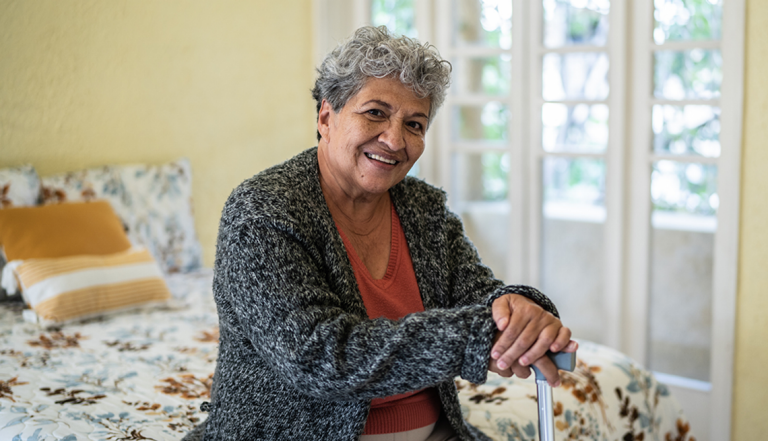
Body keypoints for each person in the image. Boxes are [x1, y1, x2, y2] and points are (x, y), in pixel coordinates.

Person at [184, 25, 576, 441]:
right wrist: (477, 336)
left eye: (414, 124)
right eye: (375, 112)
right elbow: (320, 358)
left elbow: (479, 295)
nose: (394, 139)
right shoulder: (262, 211)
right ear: (326, 117)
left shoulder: (423, 208)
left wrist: (520, 312)